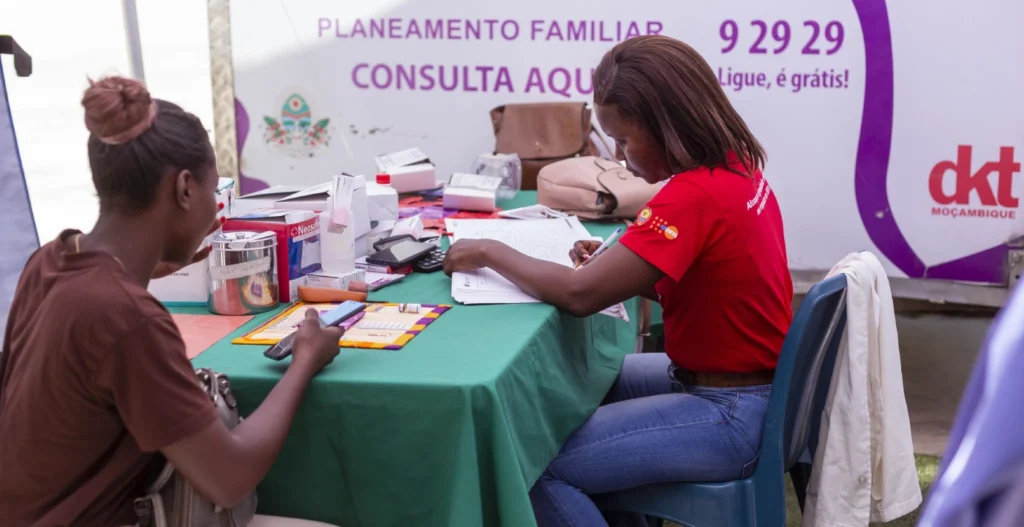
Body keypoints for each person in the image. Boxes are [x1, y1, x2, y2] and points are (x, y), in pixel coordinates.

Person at [443, 35, 793, 526]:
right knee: (589, 378)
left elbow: (578, 294)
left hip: (730, 411)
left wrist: (489, 250)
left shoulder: (690, 196)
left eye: (626, 141)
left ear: (668, 125)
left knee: (532, 466)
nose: (624, 160)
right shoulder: (736, 167)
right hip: (747, 389)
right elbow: (707, 279)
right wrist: (621, 260)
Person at [0, 76, 342, 527]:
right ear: (183, 189)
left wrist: (145, 273)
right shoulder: (127, 319)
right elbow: (230, 478)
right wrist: (304, 362)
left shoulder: (50, 259)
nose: (214, 211)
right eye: (210, 190)